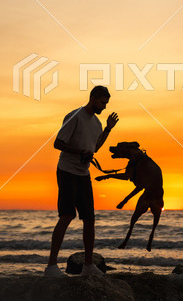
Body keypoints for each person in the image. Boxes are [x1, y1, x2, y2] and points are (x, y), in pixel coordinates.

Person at [44, 86, 119, 276]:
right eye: (102, 102)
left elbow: (95, 147)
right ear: (92, 98)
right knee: (67, 216)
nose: (104, 107)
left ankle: (88, 266)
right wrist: (80, 153)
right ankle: (51, 266)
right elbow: (57, 143)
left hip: (83, 174)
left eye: (106, 104)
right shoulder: (74, 116)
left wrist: (108, 129)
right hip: (67, 171)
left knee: (90, 219)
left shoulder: (97, 123)